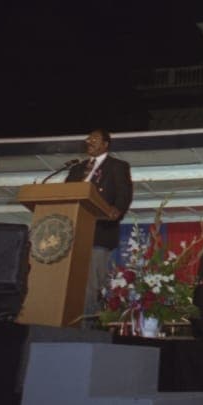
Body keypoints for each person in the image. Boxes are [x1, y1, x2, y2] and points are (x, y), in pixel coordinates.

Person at [66, 128, 133, 321]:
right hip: (72, 236)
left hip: (99, 233)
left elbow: (124, 193)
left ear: (105, 144)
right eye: (88, 139)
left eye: (94, 139)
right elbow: (65, 193)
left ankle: (88, 327)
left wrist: (116, 210)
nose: (89, 141)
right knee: (71, 283)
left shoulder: (117, 166)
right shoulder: (76, 169)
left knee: (91, 284)